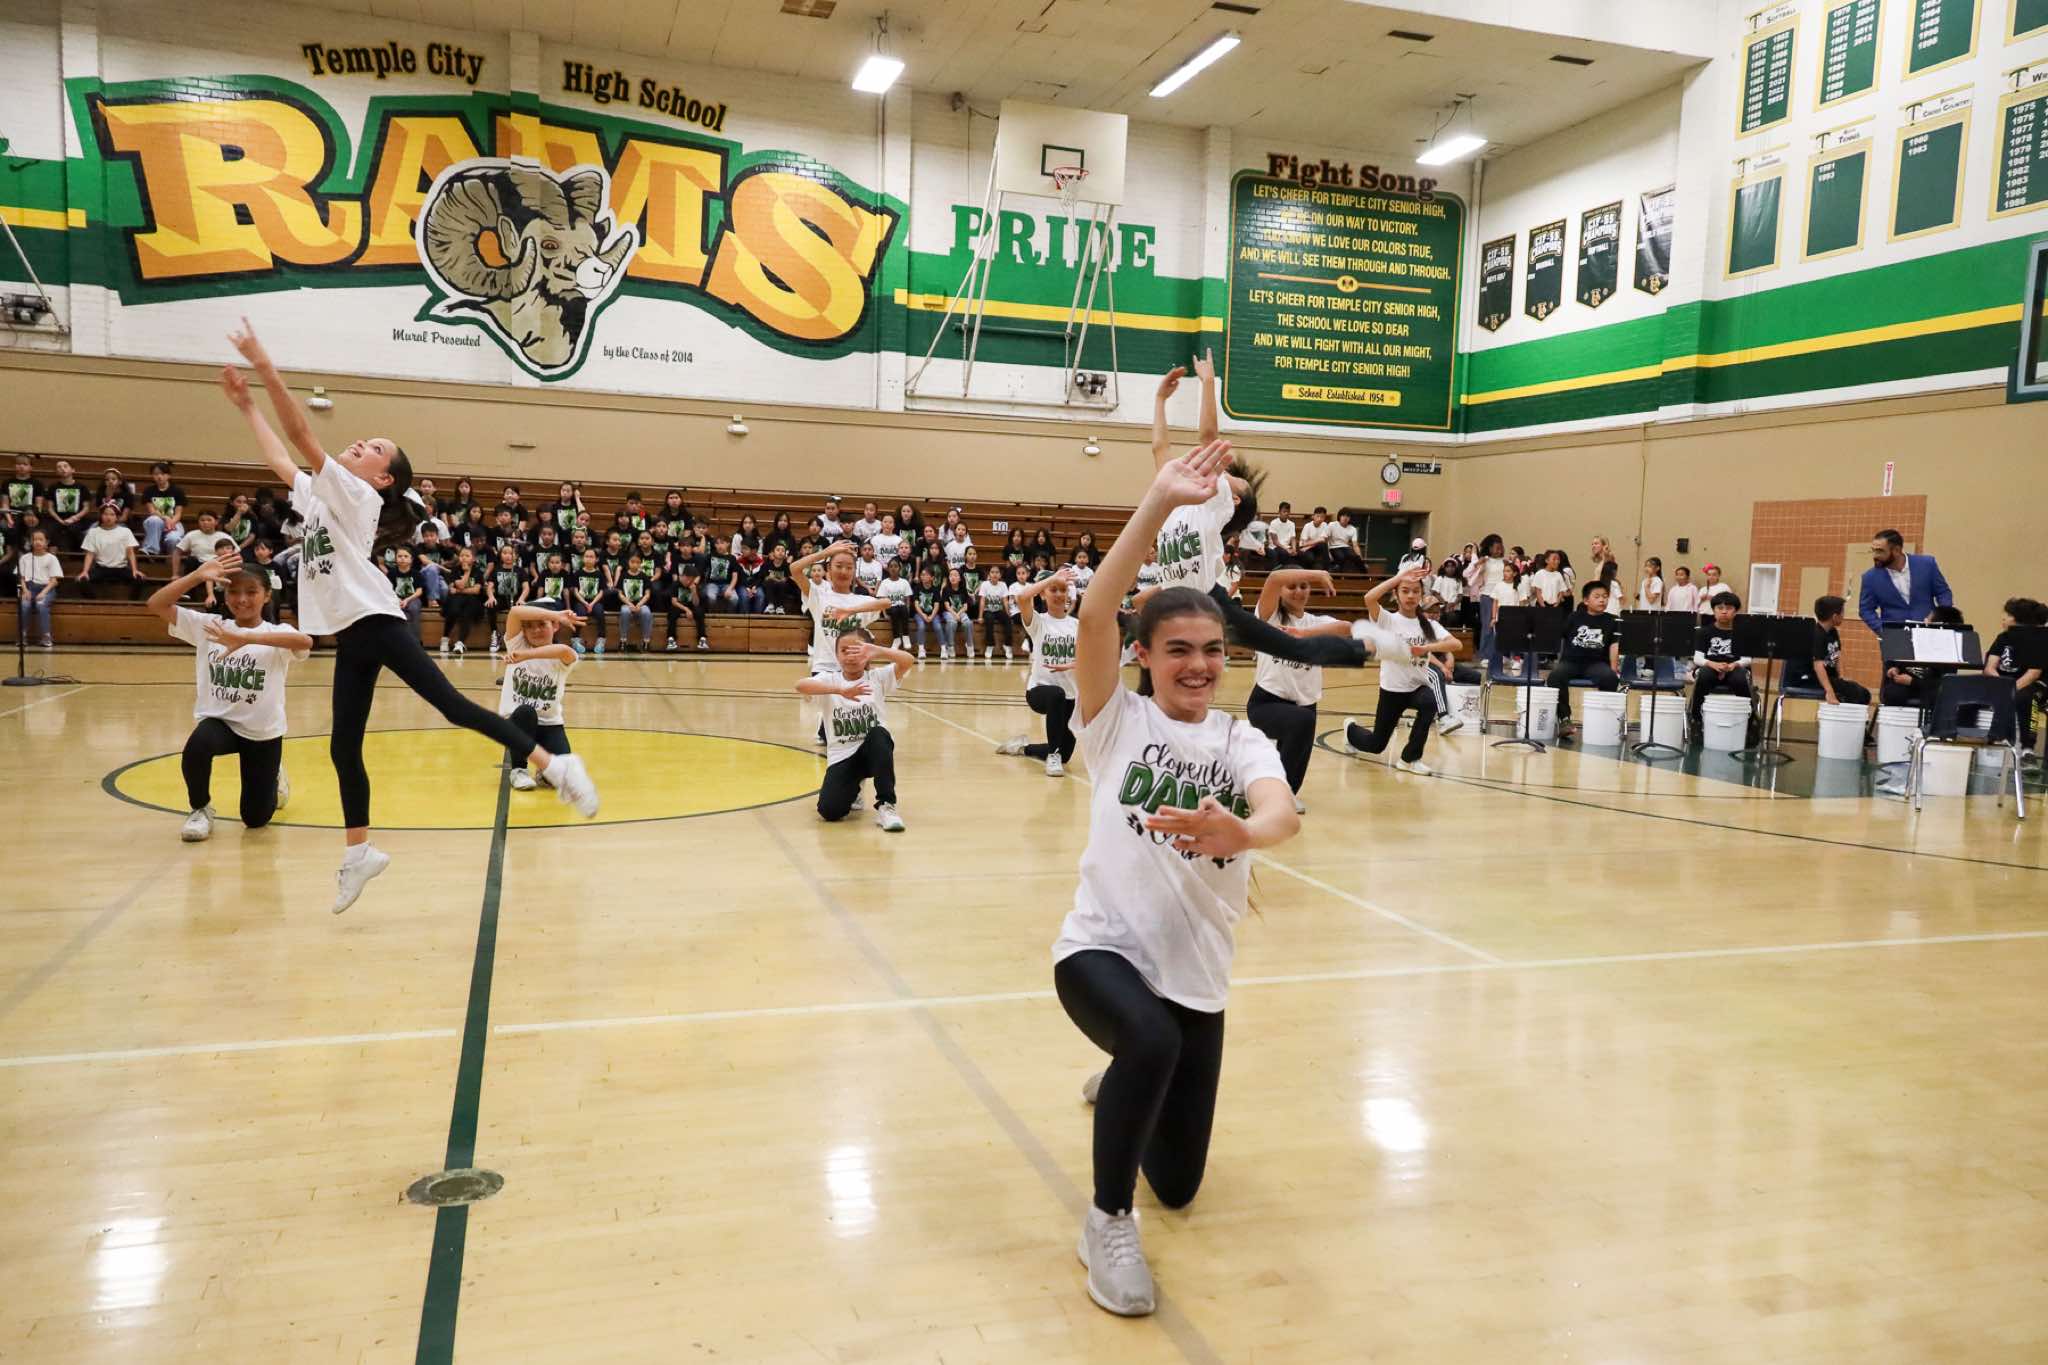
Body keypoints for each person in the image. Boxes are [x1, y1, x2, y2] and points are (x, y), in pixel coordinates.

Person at [221, 319, 596, 913]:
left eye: (373, 448)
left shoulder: (357, 495)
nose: (360, 444)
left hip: (377, 622)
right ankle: (359, 854)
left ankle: (557, 767)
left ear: (383, 478)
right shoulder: (321, 495)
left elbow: (300, 436)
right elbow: (279, 459)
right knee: (343, 748)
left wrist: (265, 367)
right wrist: (247, 409)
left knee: (454, 707)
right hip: (352, 633)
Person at [1053, 438, 1299, 1319]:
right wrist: (1158, 500)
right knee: (1150, 1040)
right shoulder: (1114, 723)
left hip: (1195, 979)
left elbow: (1282, 812)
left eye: (1212, 650)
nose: (1198, 664)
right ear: (1146, 656)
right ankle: (1105, 1222)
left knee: (1182, 1183)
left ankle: (1127, 1074)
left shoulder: (1241, 739)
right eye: (1178, 649)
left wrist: (1245, 830)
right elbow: (1095, 612)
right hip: (1099, 954)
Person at [1144, 363, 1365, 670]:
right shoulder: (1175, 500)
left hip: (1209, 602)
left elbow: (1208, 438)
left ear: (1233, 500)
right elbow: (1159, 448)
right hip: (1176, 607)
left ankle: (1367, 648)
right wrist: (1158, 400)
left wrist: (1208, 382)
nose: (1225, 473)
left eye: (1233, 479)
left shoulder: (1214, 504)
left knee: (1291, 647)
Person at [146, 551, 312, 841]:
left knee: (255, 819)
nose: (242, 599)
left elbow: (305, 641)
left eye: (251, 592)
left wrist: (246, 638)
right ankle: (200, 809)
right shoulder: (210, 627)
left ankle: (274, 776)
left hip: (262, 732)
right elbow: (156, 604)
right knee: (197, 746)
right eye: (234, 592)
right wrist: (196, 576)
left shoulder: (277, 632)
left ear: (266, 596)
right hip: (221, 723)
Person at [1242, 568, 1343, 810]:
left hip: (1305, 704)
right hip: (1266, 703)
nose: (1298, 591)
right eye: (1292, 586)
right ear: (1281, 591)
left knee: (1302, 728)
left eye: (1304, 586)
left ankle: (1284, 792)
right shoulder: (1270, 617)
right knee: (1302, 722)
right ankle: (1275, 794)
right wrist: (1317, 574)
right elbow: (1272, 579)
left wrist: (1305, 634)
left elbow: (1347, 627)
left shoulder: (1316, 622)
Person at [1344, 566, 1459, 773]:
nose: (1411, 596)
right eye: (1405, 591)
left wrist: (1426, 648)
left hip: (1416, 688)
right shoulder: (1387, 620)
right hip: (1392, 691)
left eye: (1416, 591)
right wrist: (1398, 578)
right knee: (1376, 745)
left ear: (1421, 595)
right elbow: (1369, 598)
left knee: (1430, 702)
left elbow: (1455, 644)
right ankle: (1350, 731)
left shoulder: (1428, 625)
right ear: (1396, 595)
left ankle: (1409, 759)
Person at [796, 626, 912, 831]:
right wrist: (840, 690)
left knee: (879, 734)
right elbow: (800, 685)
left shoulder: (877, 678)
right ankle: (854, 787)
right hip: (843, 757)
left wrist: (879, 651)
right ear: (836, 654)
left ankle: (886, 805)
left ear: (868, 654)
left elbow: (907, 660)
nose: (850, 657)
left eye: (857, 651)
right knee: (829, 811)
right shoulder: (829, 679)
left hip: (872, 751)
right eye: (844, 651)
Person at [997, 566, 1082, 776]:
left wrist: (1073, 665)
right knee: (1056, 694)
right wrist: (1052, 578)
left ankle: (1022, 748)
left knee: (1066, 753)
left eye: (1063, 590)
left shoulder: (1077, 625)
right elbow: (1022, 597)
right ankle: (1052, 756)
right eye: (1053, 590)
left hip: (1071, 696)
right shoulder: (1038, 622)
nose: (1059, 594)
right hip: (1039, 691)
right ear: (1043, 594)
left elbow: (1091, 659)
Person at [498, 599, 583, 791]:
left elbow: (564, 650)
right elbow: (515, 612)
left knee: (562, 776)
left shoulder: (562, 656)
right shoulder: (517, 643)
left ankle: (545, 773)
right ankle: (519, 770)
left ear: (555, 626)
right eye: (529, 626)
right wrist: (555, 615)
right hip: (519, 723)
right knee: (526, 712)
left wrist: (526, 655)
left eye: (542, 624)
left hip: (550, 725)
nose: (536, 630)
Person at [1549, 581, 1622, 737]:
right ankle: (1564, 720)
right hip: (1571, 662)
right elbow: (1558, 636)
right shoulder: (1574, 617)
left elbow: (1614, 646)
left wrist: (1614, 669)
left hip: (1596, 663)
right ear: (1586, 600)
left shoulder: (1613, 620)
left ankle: (1603, 721)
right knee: (1555, 676)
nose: (1602, 600)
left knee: (1610, 678)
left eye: (1605, 597)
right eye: (1597, 596)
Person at [1859, 529, 1953, 638]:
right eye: (1873, 550)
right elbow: (1865, 609)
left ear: (1897, 550)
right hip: (1895, 639)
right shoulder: (1870, 578)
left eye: (1880, 551)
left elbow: (1943, 592)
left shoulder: (1927, 564)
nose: (1875, 556)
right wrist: (1884, 631)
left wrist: (1940, 615)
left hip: (1929, 634)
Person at [1984, 597, 2046, 752]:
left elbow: (2033, 673)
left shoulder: (2039, 640)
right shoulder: (2003, 638)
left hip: (2031, 686)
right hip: (2003, 683)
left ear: (2019, 620)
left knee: (2025, 697)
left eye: (2008, 615)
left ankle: (2027, 748)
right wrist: (2001, 686)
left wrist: (2010, 690)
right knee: (1968, 692)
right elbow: (1990, 667)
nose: (2003, 618)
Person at [1794, 595, 1872, 708]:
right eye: (1842, 612)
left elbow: (1837, 655)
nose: (1844, 616)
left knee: (1862, 694)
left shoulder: (1833, 632)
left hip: (1831, 679)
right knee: (1858, 694)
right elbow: (1818, 666)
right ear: (1835, 617)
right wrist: (1829, 691)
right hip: (1813, 679)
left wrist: (1842, 678)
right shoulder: (1817, 635)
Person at [1689, 591, 1752, 727]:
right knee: (1704, 675)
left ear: (1735, 611)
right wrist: (1713, 664)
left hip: (1734, 667)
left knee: (1739, 678)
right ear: (1713, 611)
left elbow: (1747, 659)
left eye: (1729, 608)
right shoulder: (1703, 632)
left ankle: (1749, 720)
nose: (1724, 612)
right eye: (1720, 608)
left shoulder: (1742, 633)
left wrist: (1733, 665)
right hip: (1710, 667)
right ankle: (1696, 718)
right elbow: (1697, 658)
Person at [78, 502, 142, 598]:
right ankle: (93, 603)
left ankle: (131, 603)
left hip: (121, 568)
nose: (108, 517)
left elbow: (130, 553)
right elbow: (90, 554)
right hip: (101, 568)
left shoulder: (125, 531)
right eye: (105, 514)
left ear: (117, 517)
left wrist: (134, 570)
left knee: (139, 579)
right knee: (81, 580)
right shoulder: (93, 532)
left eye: (112, 514)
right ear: (101, 516)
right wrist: (85, 571)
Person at [16, 528, 61, 649]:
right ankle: (22, 636)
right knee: (24, 605)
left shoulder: (51, 558)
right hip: (29, 587)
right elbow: (21, 578)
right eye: (35, 539)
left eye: (41, 539)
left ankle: (46, 636)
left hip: (46, 588)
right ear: (31, 542)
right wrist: (25, 590)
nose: (37, 542)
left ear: (47, 542)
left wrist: (43, 592)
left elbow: (54, 581)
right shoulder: (25, 558)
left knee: (41, 604)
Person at [439, 546, 484, 655]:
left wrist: (459, 590)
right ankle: (445, 638)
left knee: (467, 612)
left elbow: (476, 591)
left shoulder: (478, 571)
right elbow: (460, 585)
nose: (464, 558)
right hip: (456, 599)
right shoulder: (455, 570)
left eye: (467, 556)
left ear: (473, 558)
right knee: (453, 609)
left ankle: (460, 642)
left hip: (472, 600)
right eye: (462, 555)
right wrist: (466, 574)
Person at [46, 460, 92, 551]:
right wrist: (60, 520)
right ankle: (52, 555)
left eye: (65, 466)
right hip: (58, 518)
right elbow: (50, 508)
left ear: (73, 470)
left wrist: (73, 518)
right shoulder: (53, 487)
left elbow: (86, 508)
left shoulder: (81, 487)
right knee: (51, 529)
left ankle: (77, 555)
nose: (62, 469)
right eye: (59, 467)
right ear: (56, 472)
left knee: (75, 530)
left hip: (77, 519)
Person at [941, 566, 976, 661]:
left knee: (968, 623)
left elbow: (965, 607)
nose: (953, 577)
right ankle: (950, 646)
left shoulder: (963, 589)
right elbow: (947, 606)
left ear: (960, 578)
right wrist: (955, 615)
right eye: (951, 575)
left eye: (955, 575)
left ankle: (969, 645)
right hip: (949, 612)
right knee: (952, 623)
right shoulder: (946, 589)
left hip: (961, 611)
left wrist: (959, 614)